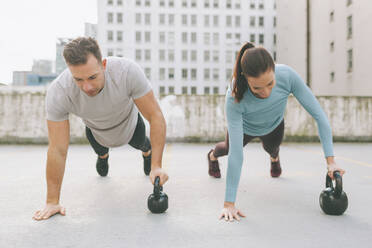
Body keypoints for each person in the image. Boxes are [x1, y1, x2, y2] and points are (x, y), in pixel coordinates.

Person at [206, 42, 345, 221]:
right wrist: (229, 204)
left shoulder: (287, 75)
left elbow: (319, 116)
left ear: (275, 70)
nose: (265, 92)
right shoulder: (234, 95)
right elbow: (237, 155)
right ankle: (211, 156)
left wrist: (331, 162)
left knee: (272, 148)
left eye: (270, 84)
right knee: (227, 148)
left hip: (273, 126)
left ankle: (274, 157)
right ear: (245, 78)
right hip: (245, 129)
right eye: (257, 88)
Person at [33, 37, 168, 221]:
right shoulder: (59, 91)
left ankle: (147, 154)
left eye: (92, 77)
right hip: (96, 131)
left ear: (103, 64)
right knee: (101, 150)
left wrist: (157, 166)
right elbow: (57, 149)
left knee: (143, 144)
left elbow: (155, 116)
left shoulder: (126, 71)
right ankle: (103, 156)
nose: (86, 87)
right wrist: (52, 201)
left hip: (129, 125)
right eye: (78, 80)